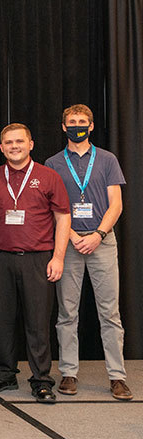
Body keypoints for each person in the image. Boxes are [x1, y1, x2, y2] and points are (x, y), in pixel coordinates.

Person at [0, 123, 70, 404]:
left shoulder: (48, 176)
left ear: (31, 144)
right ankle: (4, 374)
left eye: (19, 141)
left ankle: (41, 380)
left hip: (37, 259)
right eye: (8, 142)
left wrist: (59, 257)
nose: (14, 146)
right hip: (0, 257)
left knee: (38, 323)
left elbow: (63, 218)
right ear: (1, 147)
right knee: (2, 319)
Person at [44, 105, 132, 401]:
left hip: (102, 242)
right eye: (72, 122)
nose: (77, 126)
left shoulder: (107, 159)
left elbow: (116, 204)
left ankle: (117, 377)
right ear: (63, 126)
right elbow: (51, 208)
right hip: (67, 243)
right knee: (67, 313)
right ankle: (69, 372)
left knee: (110, 313)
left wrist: (97, 235)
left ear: (91, 126)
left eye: (82, 122)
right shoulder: (53, 163)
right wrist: (71, 235)